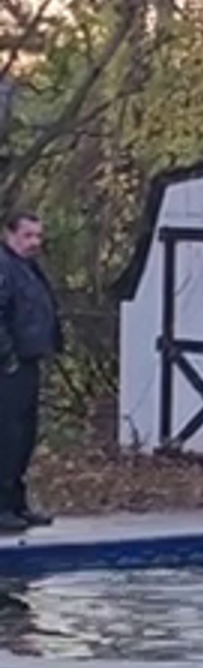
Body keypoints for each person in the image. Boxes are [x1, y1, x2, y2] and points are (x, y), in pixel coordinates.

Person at [0, 212, 62, 534]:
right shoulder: (4, 266)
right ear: (9, 234)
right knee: (7, 435)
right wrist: (7, 357)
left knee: (24, 435)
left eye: (38, 236)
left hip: (28, 361)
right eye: (28, 236)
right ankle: (2, 506)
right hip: (8, 367)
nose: (35, 243)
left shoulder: (28, 268)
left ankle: (16, 502)